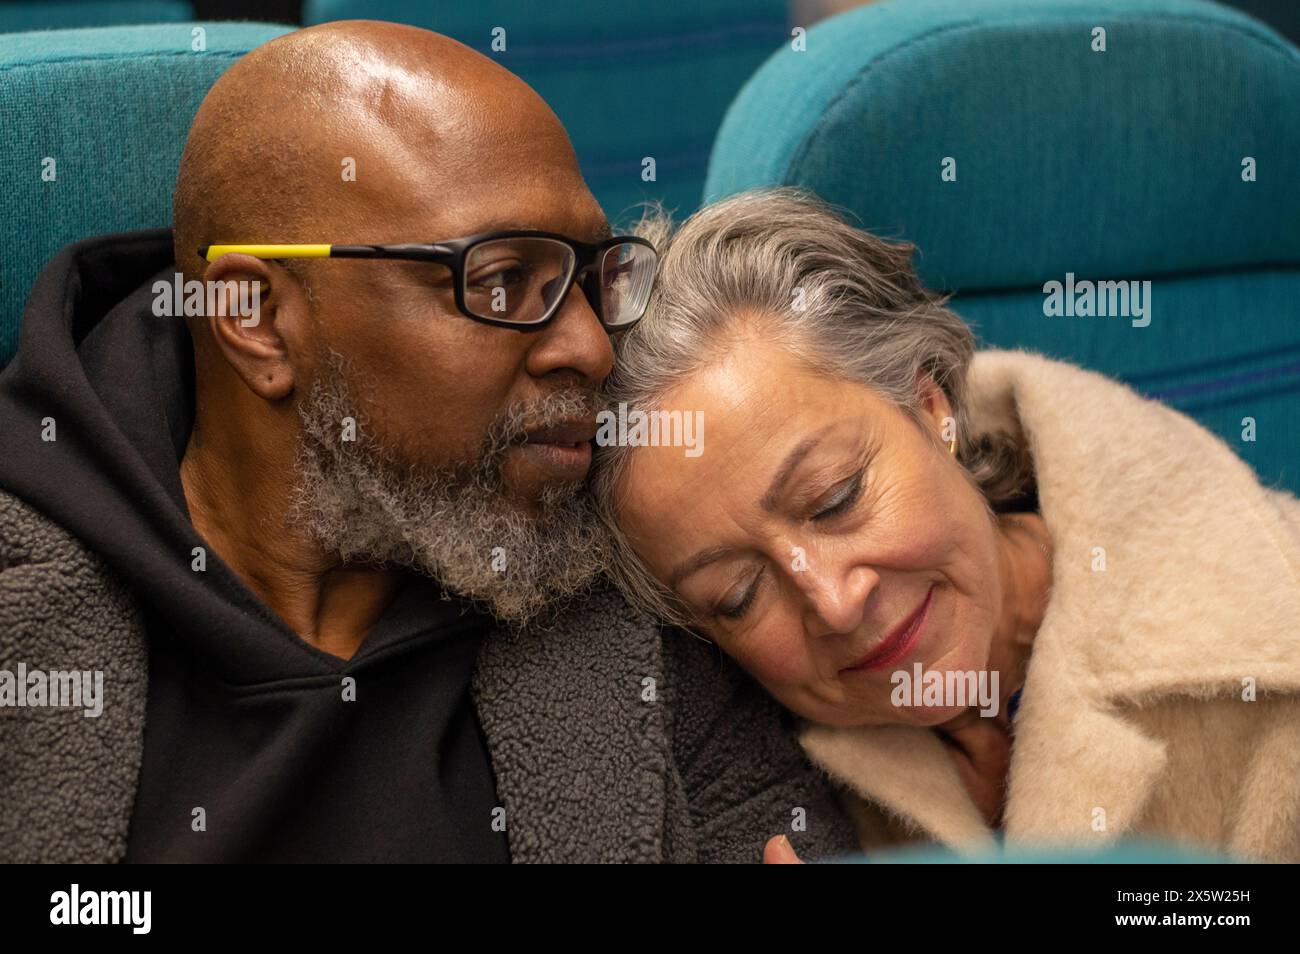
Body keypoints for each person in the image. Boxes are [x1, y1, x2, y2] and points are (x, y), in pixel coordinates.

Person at [0, 23, 858, 863]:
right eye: (501, 280)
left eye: (591, 280)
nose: (592, 348)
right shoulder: (29, 623)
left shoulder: (639, 607)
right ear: (255, 320)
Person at [591, 187, 1300, 862]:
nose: (835, 604)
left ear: (932, 408)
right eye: (738, 595)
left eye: (835, 498)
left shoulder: (1276, 633)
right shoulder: (738, 787)